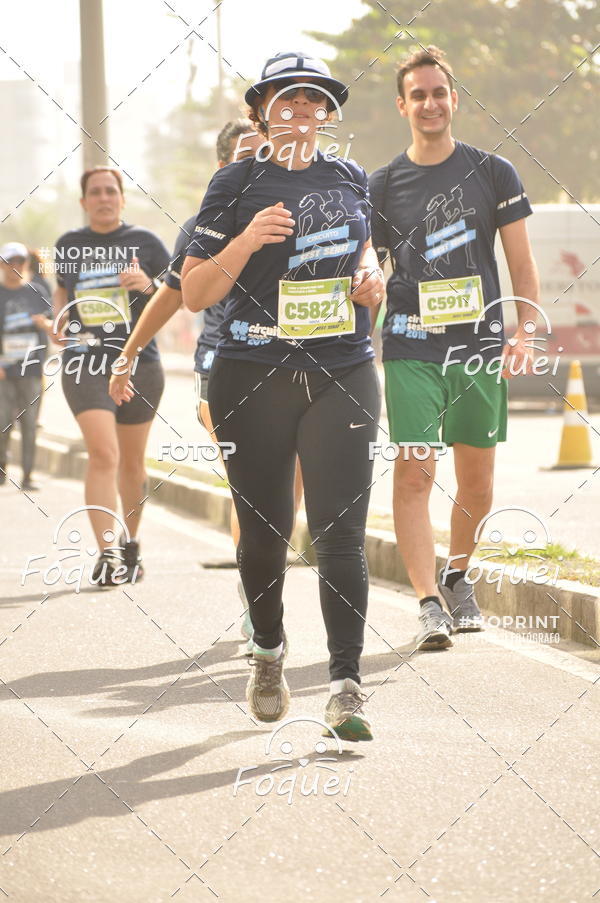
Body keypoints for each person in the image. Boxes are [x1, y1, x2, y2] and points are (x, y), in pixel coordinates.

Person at [181, 52, 384, 741]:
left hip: (342, 368)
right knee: (265, 536)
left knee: (339, 531)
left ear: (328, 113)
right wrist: (245, 240)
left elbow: (368, 250)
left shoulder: (350, 176)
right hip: (251, 370)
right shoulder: (234, 182)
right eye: (287, 100)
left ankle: (346, 687)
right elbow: (194, 291)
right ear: (261, 110)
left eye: (314, 101)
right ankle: (267, 651)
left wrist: (369, 274)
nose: (301, 111)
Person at [108, 119, 302, 653]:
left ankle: (263, 594)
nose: (258, 161)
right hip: (223, 367)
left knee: (288, 496)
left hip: (294, 365)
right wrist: (127, 354)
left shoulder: (295, 209)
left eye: (265, 150)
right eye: (245, 154)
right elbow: (171, 295)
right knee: (254, 493)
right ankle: (258, 610)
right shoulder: (204, 224)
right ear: (224, 167)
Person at [369, 46, 539, 649]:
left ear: (454, 99)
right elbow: (370, 267)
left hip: (478, 349)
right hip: (411, 347)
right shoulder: (381, 185)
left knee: (479, 480)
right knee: (415, 472)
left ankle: (458, 573)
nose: (430, 103)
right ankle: (427, 601)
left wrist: (525, 329)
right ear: (402, 105)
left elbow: (520, 260)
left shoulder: (494, 172)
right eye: (418, 94)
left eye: (439, 92)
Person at [53, 167, 170, 585]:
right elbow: (63, 292)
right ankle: (108, 554)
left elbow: (177, 299)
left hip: (140, 362)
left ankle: (132, 542)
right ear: (84, 202)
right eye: (95, 192)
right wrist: (59, 323)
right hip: (85, 362)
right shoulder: (69, 245)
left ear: (122, 199)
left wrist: (147, 285)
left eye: (110, 191)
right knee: (104, 454)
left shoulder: (147, 244)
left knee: (132, 464)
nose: (103, 198)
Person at [0, 242, 53, 490]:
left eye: (20, 262)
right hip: (3, 371)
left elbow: (55, 325)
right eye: (10, 262)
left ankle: (28, 477)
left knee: (30, 423)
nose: (15, 267)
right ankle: (1, 471)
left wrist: (44, 324)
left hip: (31, 370)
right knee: (2, 422)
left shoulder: (37, 291)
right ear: (2, 265)